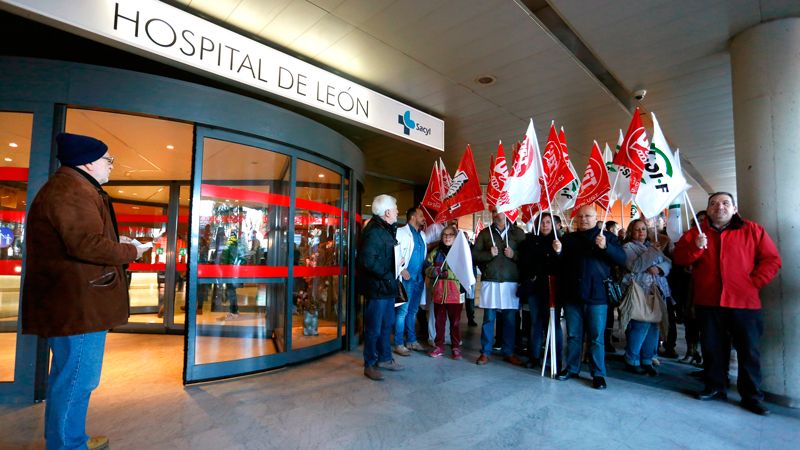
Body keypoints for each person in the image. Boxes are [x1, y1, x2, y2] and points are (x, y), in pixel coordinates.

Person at [21, 132, 147, 450]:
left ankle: (72, 438)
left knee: (71, 377)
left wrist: (121, 247)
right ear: (89, 162)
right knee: (77, 380)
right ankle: (68, 446)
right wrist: (131, 251)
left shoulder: (72, 187)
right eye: (108, 160)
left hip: (75, 305)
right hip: (77, 308)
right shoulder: (71, 191)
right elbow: (86, 243)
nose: (111, 166)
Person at [673, 192, 781, 416]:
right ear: (708, 209)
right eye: (713, 204)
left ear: (734, 208)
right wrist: (695, 247)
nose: (718, 207)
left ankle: (752, 396)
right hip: (709, 301)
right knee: (713, 348)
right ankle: (715, 386)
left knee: (748, 350)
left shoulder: (752, 230)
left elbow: (771, 260)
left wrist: (754, 282)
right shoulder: (696, 233)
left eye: (724, 203)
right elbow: (680, 259)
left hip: (744, 302)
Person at [553, 205, 626, 389]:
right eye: (581, 216)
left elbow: (622, 259)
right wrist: (558, 252)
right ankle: (571, 368)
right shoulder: (568, 239)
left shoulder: (607, 237)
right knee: (573, 335)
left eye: (588, 216)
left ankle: (598, 374)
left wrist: (606, 247)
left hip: (597, 296)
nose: (584, 219)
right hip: (572, 295)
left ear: (596, 218)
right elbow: (559, 266)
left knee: (596, 337)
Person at [358, 194, 404, 381]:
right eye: (395, 208)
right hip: (378, 289)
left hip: (385, 288)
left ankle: (384, 358)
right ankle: (369, 364)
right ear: (387, 213)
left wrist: (396, 263)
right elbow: (367, 261)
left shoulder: (384, 229)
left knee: (386, 326)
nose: (397, 211)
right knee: (374, 328)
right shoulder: (375, 231)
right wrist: (389, 273)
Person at [472, 208, 525, 366]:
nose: (496, 214)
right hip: (491, 280)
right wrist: (489, 254)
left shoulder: (518, 233)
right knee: (488, 318)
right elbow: (474, 255)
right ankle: (485, 352)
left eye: (499, 211)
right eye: (494, 211)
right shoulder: (485, 233)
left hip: (511, 281)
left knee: (510, 319)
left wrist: (514, 255)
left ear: (507, 212)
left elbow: (527, 257)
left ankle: (508, 352)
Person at [620, 219, 671, 376]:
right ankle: (632, 359)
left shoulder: (651, 246)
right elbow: (635, 266)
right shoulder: (627, 247)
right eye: (637, 229)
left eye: (643, 229)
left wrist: (659, 268)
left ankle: (647, 359)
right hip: (639, 291)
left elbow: (667, 262)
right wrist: (652, 254)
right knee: (640, 325)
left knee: (653, 327)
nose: (641, 232)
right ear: (631, 232)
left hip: (656, 290)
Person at [517, 212, 562, 370]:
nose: (545, 225)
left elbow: (562, 266)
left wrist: (558, 252)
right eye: (542, 222)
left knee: (553, 324)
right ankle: (534, 356)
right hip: (535, 289)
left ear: (553, 224)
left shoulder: (558, 242)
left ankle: (556, 358)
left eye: (548, 222)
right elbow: (523, 263)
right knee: (535, 323)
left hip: (552, 289)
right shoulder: (529, 241)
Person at [424, 225, 465, 359]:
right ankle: (439, 346)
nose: (447, 237)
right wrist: (436, 271)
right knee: (439, 321)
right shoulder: (436, 252)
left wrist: (448, 274)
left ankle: (455, 347)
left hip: (456, 292)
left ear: (455, 237)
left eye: (450, 235)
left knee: (455, 322)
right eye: (444, 235)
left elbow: (466, 271)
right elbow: (427, 267)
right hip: (439, 291)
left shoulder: (461, 252)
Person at [393, 206, 427, 355]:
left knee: (413, 311)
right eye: (421, 215)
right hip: (406, 279)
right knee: (402, 311)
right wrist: (400, 269)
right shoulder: (400, 232)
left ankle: (412, 341)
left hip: (419, 279)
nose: (423, 218)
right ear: (413, 217)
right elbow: (394, 251)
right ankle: (399, 343)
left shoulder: (422, 235)